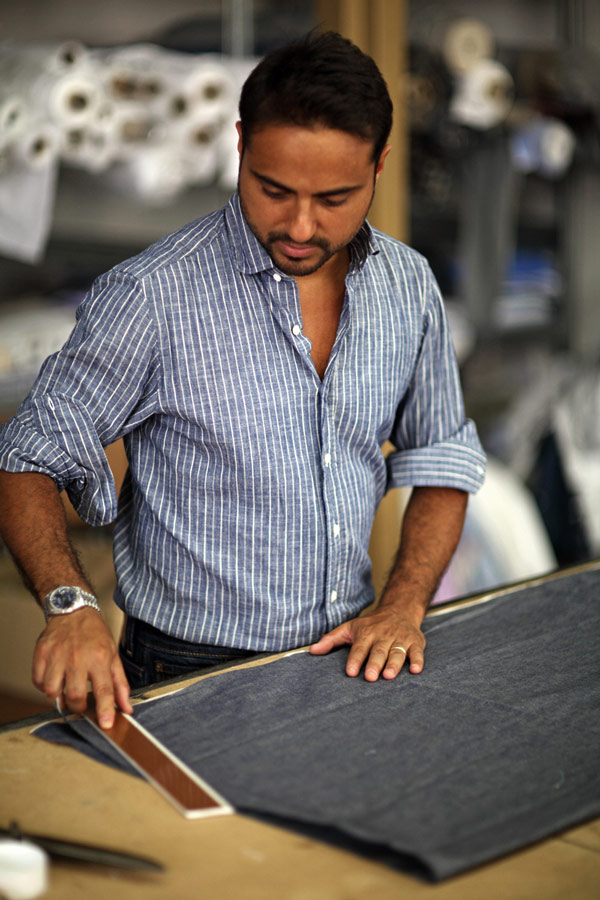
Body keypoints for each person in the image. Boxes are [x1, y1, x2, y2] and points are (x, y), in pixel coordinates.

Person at [0, 31, 485, 730]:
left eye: (335, 197)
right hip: (184, 673)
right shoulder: (152, 297)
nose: (299, 224)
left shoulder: (407, 286)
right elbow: (24, 460)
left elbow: (442, 457)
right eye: (273, 189)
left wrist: (404, 603)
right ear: (239, 145)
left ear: (380, 165)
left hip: (344, 661)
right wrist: (69, 606)